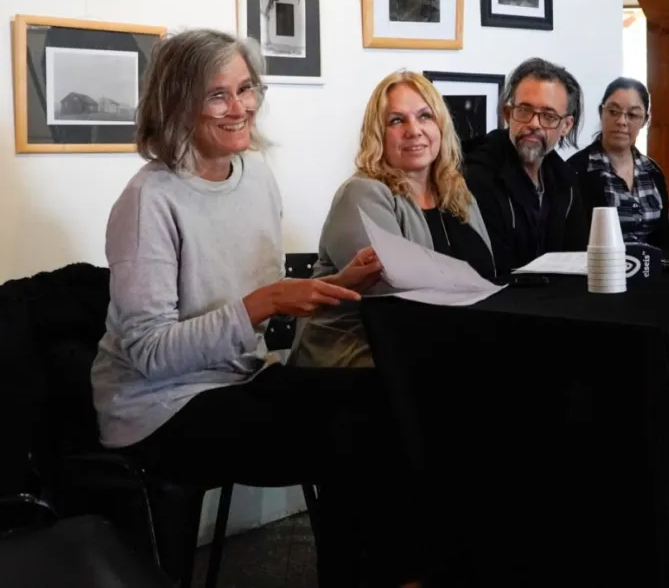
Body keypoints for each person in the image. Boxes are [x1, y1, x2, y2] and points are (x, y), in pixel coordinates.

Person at [89, 29, 423, 588]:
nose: (240, 107)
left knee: (388, 399)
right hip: (158, 407)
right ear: (177, 104)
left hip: (240, 378)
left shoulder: (257, 176)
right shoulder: (148, 200)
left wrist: (337, 284)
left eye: (246, 89)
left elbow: (262, 305)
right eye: (217, 95)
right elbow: (149, 353)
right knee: (352, 436)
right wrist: (263, 302)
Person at [289, 70, 495, 369]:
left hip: (439, 345)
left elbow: (487, 277)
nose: (414, 130)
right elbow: (393, 297)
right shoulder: (362, 193)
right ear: (378, 135)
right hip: (356, 355)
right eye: (397, 120)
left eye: (425, 116)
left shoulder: (459, 194)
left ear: (441, 125)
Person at [463, 57, 589, 274]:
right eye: (524, 110)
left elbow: (578, 259)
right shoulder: (477, 176)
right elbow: (492, 269)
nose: (533, 123)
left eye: (548, 116)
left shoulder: (566, 181)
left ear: (566, 125)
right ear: (508, 114)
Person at [569, 76, 669, 248]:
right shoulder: (576, 170)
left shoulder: (652, 171)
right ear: (601, 112)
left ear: (644, 121)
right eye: (613, 112)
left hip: (651, 264)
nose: (621, 121)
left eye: (632, 115)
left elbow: (665, 240)